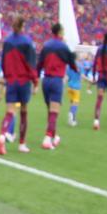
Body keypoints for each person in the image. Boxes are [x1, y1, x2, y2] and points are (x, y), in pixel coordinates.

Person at [0, 16, 37, 155]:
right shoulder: (27, 42)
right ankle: (21, 143)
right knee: (24, 112)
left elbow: (3, 61)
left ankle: (2, 136)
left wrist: (7, 76)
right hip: (23, 81)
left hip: (11, 81)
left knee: (10, 111)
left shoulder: (7, 41)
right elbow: (31, 64)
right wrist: (35, 82)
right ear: (23, 25)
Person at [38, 22, 76, 150]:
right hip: (56, 80)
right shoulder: (63, 46)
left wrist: (35, 81)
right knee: (54, 111)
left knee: (50, 110)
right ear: (60, 32)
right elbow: (72, 62)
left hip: (46, 80)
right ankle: (47, 138)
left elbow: (39, 64)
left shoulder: (46, 45)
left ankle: (55, 136)